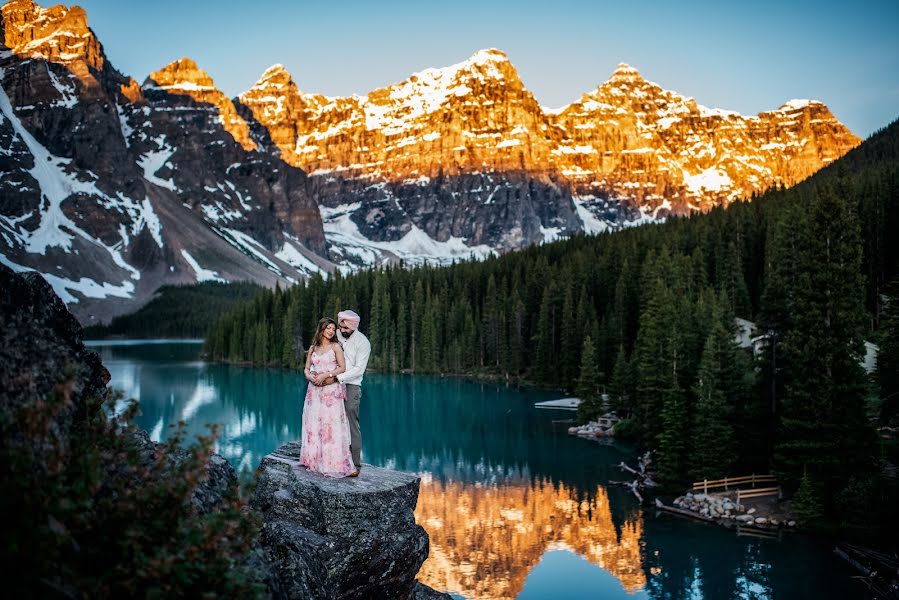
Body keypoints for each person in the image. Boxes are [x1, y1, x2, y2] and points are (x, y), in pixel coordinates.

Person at [299, 318, 357, 478]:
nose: (331, 331)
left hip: (331, 391)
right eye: (328, 328)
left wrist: (326, 374)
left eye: (333, 328)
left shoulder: (336, 347)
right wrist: (310, 377)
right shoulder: (313, 348)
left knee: (332, 426)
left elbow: (343, 367)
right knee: (314, 423)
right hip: (314, 391)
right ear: (321, 329)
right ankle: (314, 460)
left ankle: (336, 463)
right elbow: (306, 368)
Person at [319, 309, 370, 474]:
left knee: (351, 424)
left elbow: (358, 370)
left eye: (345, 328)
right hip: (332, 385)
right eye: (340, 327)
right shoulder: (337, 336)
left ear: (353, 326)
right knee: (332, 422)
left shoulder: (363, 343)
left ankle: (355, 465)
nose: (341, 330)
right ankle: (333, 461)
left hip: (351, 386)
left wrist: (335, 378)